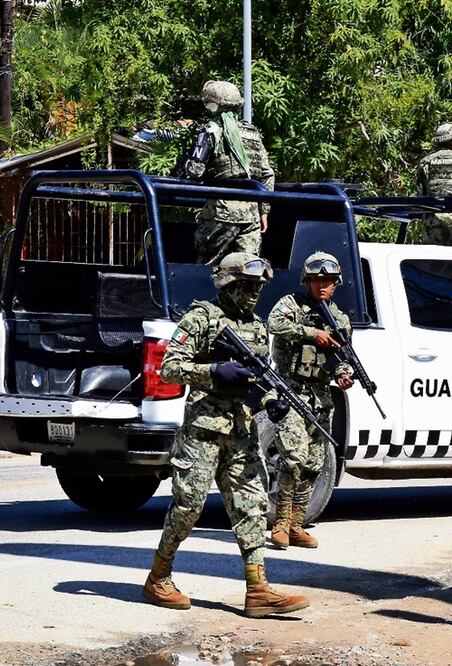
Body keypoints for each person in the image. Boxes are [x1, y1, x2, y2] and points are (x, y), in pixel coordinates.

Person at [141, 251, 310, 618]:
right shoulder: (200, 319)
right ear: (227, 283)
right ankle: (158, 577)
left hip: (241, 432)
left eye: (258, 287)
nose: (253, 294)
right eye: (246, 286)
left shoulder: (257, 326)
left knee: (252, 507)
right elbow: (170, 368)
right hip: (203, 432)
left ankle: (258, 590)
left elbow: (257, 379)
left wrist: (270, 400)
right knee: (188, 507)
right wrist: (214, 371)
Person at [266, 252, 355, 548]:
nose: (321, 286)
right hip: (290, 390)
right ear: (307, 281)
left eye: (327, 281)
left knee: (314, 464)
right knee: (293, 458)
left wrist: (344, 374)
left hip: (319, 397)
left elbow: (342, 357)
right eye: (316, 280)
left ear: (335, 284)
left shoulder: (340, 319)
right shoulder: (292, 305)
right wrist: (311, 332)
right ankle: (279, 523)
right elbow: (274, 324)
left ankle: (296, 524)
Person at [179, 80, 275, 263]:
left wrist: (184, 164)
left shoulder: (211, 130)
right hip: (251, 213)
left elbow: (196, 170)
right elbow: (267, 174)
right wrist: (264, 211)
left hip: (221, 212)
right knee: (248, 271)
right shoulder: (252, 132)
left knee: (208, 269)